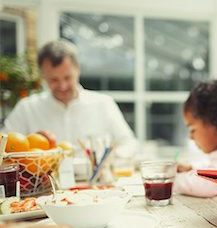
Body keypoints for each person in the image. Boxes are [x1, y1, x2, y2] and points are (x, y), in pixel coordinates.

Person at [2, 39, 137, 152]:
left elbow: (129, 144)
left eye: (68, 78)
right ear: (43, 76)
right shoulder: (27, 108)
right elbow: (3, 146)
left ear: (77, 69)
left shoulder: (103, 103)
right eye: (53, 80)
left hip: (96, 182)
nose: (62, 86)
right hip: (44, 183)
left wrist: (111, 160)